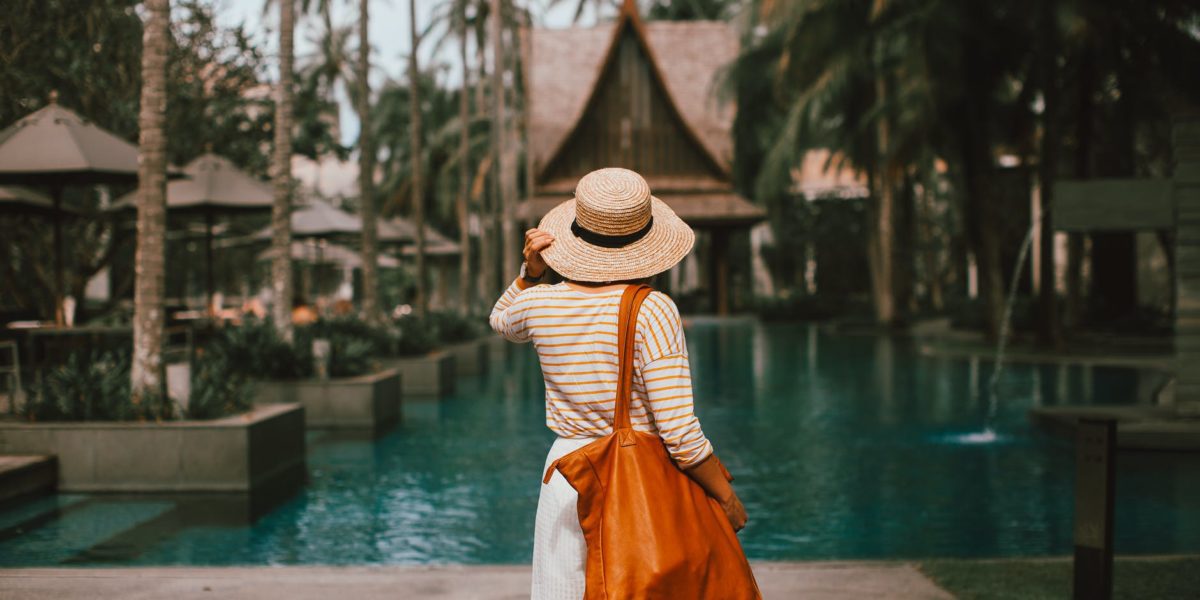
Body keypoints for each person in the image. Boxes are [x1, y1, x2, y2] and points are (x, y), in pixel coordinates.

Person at [489, 167, 748, 600]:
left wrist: (530, 273)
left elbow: (500, 320)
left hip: (566, 473)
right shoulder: (653, 309)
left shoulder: (536, 302)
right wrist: (725, 497)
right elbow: (679, 432)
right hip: (634, 478)